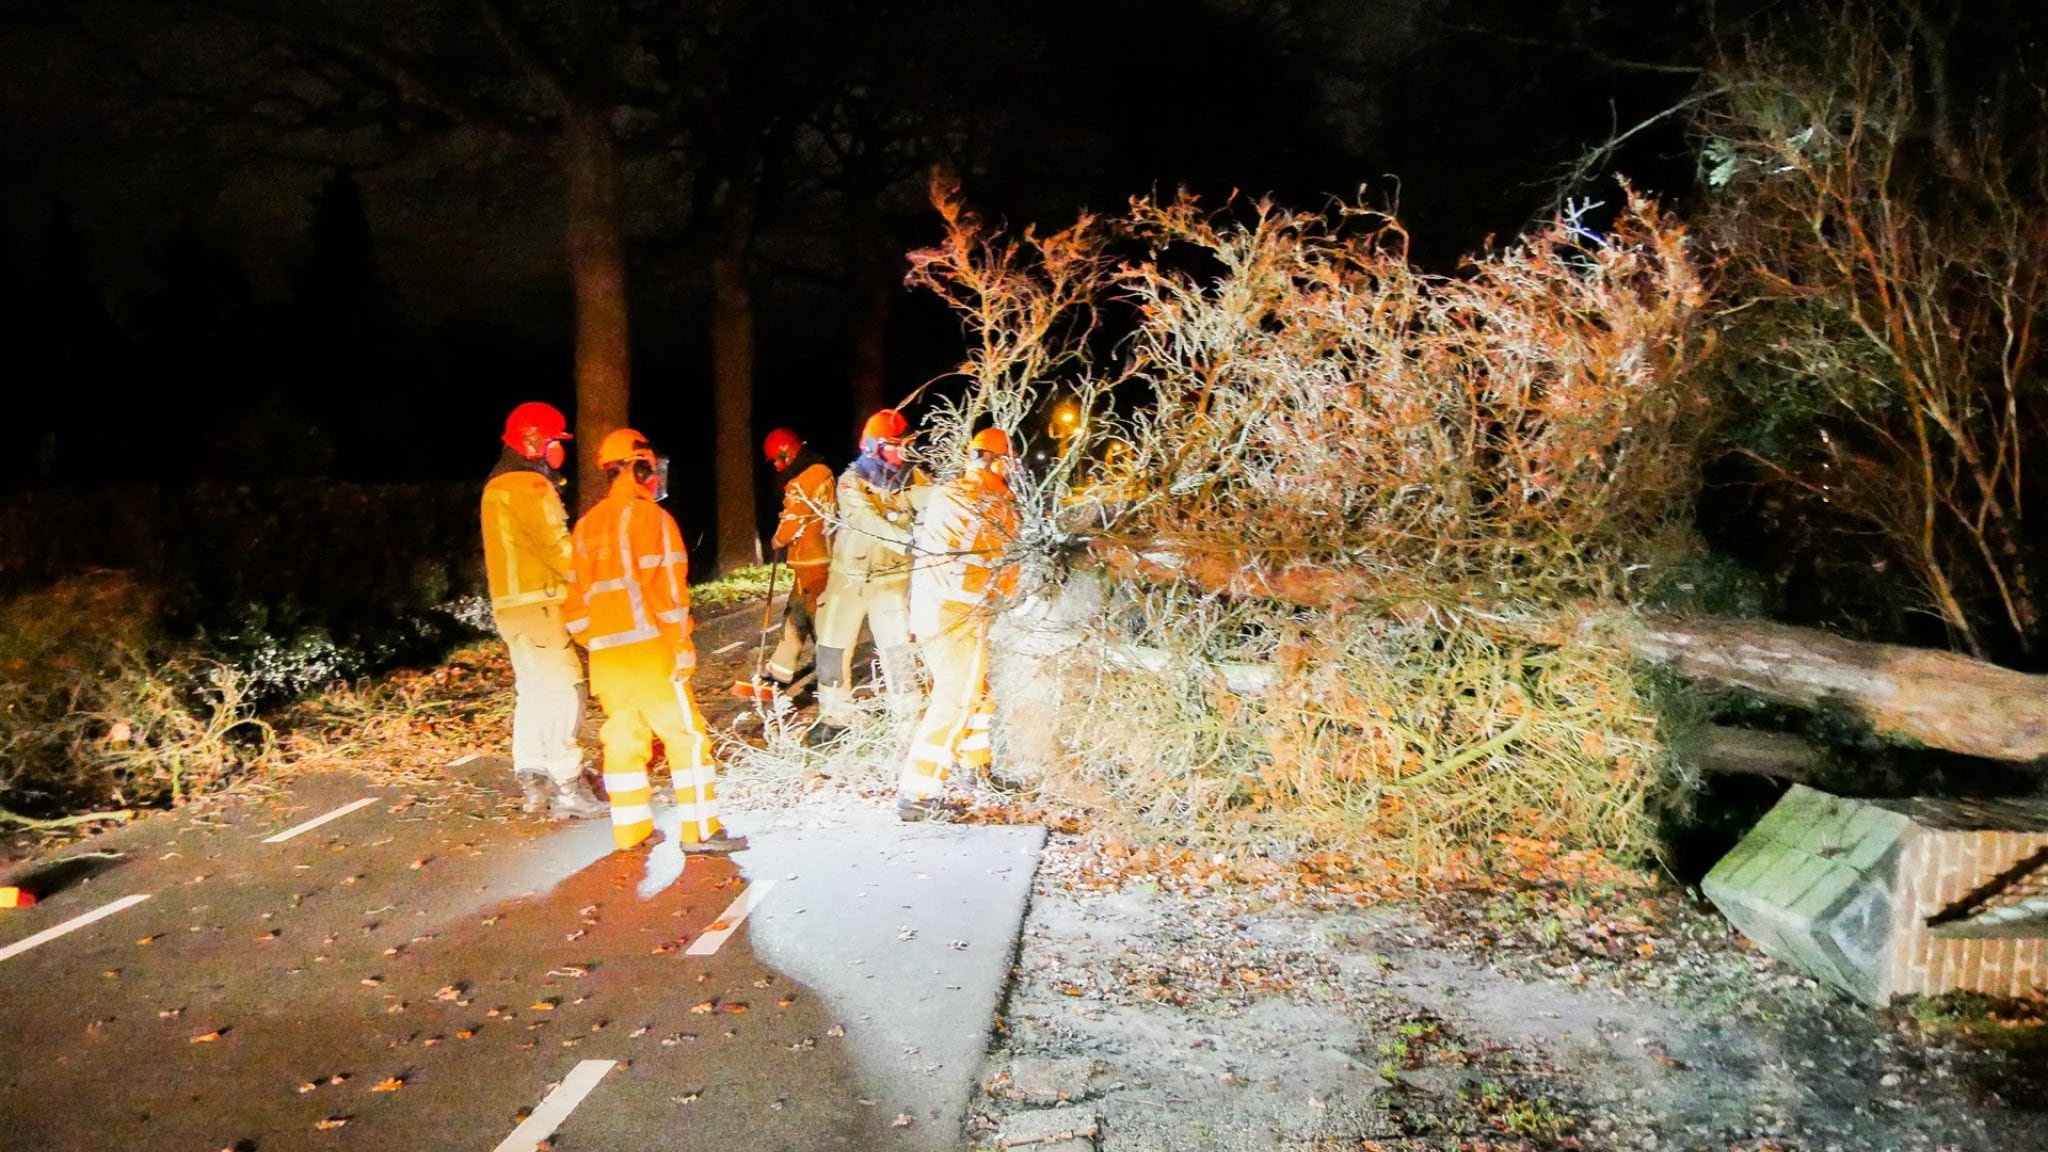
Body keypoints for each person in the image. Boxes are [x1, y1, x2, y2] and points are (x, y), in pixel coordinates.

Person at [563, 428, 744, 854]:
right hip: (651, 653)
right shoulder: (655, 521)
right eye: (650, 466)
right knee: (687, 737)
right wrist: (680, 646)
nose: (656, 476)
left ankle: (631, 831)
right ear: (639, 467)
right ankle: (700, 831)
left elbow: (574, 604)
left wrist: (600, 640)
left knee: (624, 738)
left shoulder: (587, 527)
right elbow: (668, 595)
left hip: (608, 658)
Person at [481, 401, 605, 820]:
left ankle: (532, 775)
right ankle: (568, 786)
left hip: (511, 608)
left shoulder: (496, 483)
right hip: (540, 604)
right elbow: (557, 547)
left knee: (533, 689)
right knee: (565, 687)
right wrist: (592, 580)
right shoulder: (530, 487)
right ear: (534, 441)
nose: (558, 449)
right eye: (554, 440)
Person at [896, 427, 1021, 821]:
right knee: (957, 699)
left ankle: (976, 766)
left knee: (977, 692)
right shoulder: (996, 505)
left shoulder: (950, 493)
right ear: (996, 461)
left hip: (930, 611)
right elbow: (1006, 570)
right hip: (960, 616)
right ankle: (917, 792)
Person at [808, 409, 929, 744]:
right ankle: (834, 718)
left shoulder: (915, 479)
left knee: (898, 649)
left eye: (906, 444)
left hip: (890, 582)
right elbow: (864, 521)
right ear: (874, 447)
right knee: (832, 646)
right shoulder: (850, 482)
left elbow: (929, 499)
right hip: (847, 581)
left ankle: (909, 718)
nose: (903, 451)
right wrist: (909, 540)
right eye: (896, 445)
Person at [762, 428, 836, 687]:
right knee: (796, 613)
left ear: (788, 452)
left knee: (820, 619)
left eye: (778, 460)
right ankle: (781, 667)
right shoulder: (822, 472)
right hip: (816, 558)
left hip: (813, 560)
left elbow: (795, 518)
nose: (778, 467)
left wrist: (778, 539)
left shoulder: (803, 479)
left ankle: (831, 674)